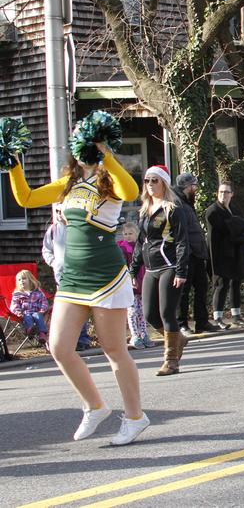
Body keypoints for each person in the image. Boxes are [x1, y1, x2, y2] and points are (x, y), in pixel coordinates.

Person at [8, 142, 149, 445]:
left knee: (114, 350)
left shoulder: (110, 180)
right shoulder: (70, 183)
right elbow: (27, 198)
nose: (86, 153)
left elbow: (131, 193)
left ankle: (135, 417)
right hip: (72, 279)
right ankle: (95, 406)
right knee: (59, 347)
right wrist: (14, 165)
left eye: (92, 147)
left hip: (105, 276)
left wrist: (107, 157)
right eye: (82, 147)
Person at [130, 166, 190, 376]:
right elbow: (141, 242)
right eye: (147, 181)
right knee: (150, 315)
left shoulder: (172, 209)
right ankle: (178, 339)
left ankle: (171, 361)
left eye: (154, 180)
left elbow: (182, 241)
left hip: (169, 266)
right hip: (151, 268)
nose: (150, 184)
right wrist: (133, 270)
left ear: (163, 182)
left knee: (166, 313)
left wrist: (181, 271)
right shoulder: (145, 209)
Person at [173, 173, 221, 335]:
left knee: (201, 287)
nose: (196, 189)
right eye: (194, 186)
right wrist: (188, 252)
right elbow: (181, 232)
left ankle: (202, 322)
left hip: (197, 253)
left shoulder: (187, 202)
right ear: (187, 187)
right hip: (187, 254)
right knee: (184, 291)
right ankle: (182, 324)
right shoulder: (177, 203)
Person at [42, 204, 93, 351]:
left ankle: (82, 338)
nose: (59, 214)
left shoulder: (79, 227)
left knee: (80, 304)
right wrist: (54, 262)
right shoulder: (52, 230)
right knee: (66, 307)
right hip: (61, 274)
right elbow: (46, 250)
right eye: (57, 211)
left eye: (62, 211)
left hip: (80, 273)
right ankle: (68, 339)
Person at [205, 182, 244, 328]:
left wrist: (238, 229)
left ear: (232, 194)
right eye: (220, 192)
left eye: (226, 192)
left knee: (235, 283)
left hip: (236, 253)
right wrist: (237, 229)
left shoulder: (235, 210)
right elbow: (226, 231)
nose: (223, 195)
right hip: (220, 254)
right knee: (221, 284)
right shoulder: (212, 211)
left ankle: (236, 316)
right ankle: (218, 318)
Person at [117, 222, 152, 349]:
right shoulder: (122, 248)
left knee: (142, 311)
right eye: (125, 234)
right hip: (130, 285)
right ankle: (134, 335)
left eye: (130, 233)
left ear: (137, 234)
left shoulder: (142, 246)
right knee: (132, 311)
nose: (128, 236)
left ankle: (144, 333)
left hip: (142, 282)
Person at [10, 270, 49, 346]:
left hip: (37, 312)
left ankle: (42, 334)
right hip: (24, 313)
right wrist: (18, 312)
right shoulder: (17, 294)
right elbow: (14, 305)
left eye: (24, 278)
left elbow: (44, 302)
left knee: (37, 316)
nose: (21, 281)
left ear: (30, 280)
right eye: (19, 280)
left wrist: (42, 310)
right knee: (27, 317)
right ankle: (30, 331)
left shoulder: (38, 292)